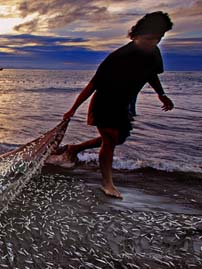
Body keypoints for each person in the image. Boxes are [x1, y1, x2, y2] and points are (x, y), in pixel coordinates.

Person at [58, 11, 174, 199]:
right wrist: (73, 109)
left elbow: (151, 74)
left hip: (126, 104)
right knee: (110, 139)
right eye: (148, 38)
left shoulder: (154, 53)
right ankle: (107, 183)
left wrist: (161, 94)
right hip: (105, 102)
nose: (153, 43)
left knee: (117, 139)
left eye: (158, 39)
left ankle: (74, 149)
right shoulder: (119, 56)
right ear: (136, 35)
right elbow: (93, 84)